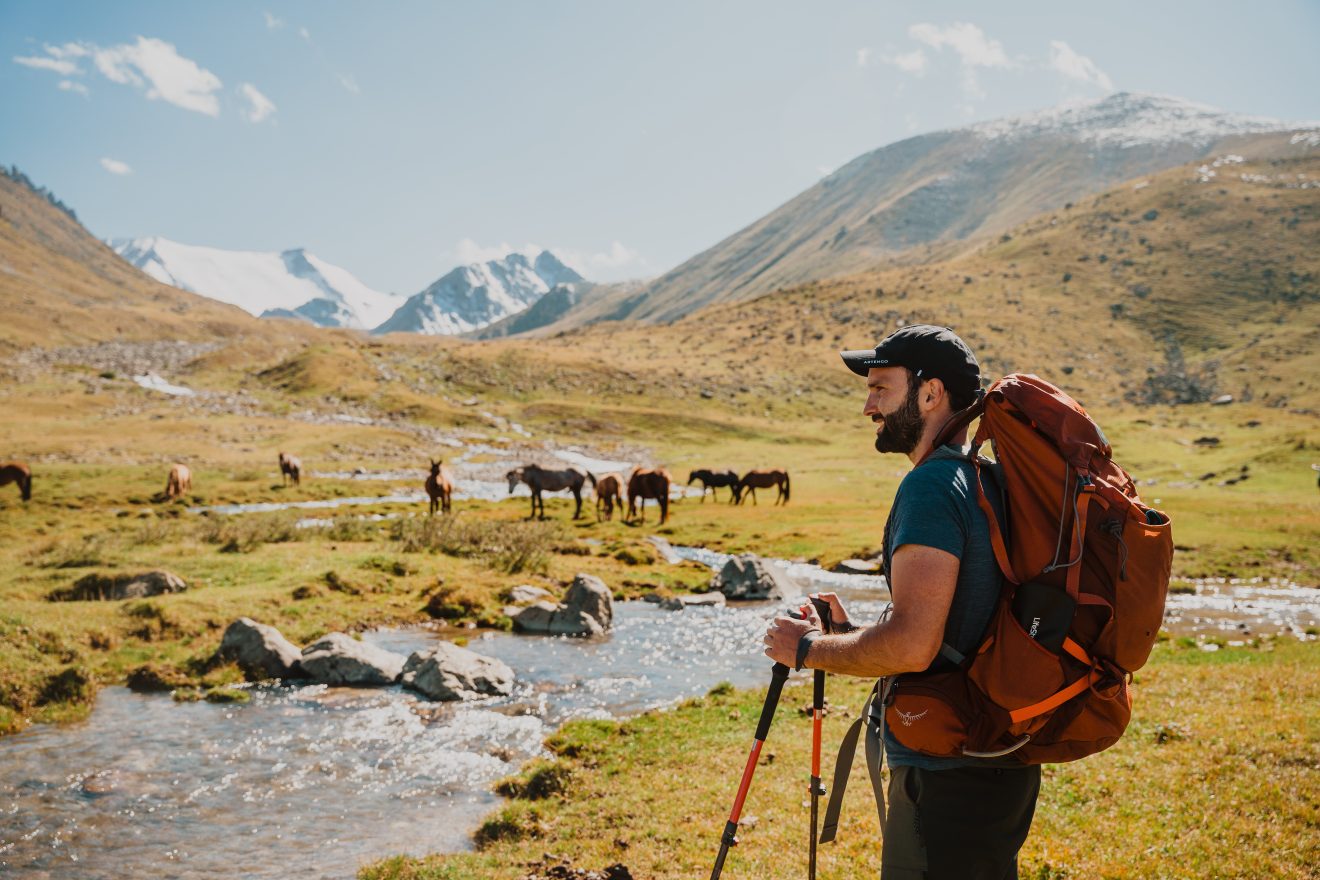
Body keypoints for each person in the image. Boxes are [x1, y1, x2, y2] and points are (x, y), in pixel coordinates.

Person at [763, 324, 1040, 880]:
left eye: (881, 389)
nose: (869, 406)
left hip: (948, 767)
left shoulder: (932, 487)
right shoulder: (986, 479)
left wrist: (809, 649)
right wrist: (853, 630)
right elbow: (955, 627)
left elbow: (914, 647)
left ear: (931, 393)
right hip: (1002, 755)